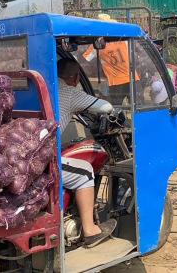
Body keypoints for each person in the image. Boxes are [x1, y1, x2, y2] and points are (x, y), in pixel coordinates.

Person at [56, 58, 118, 247]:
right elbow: (106, 107)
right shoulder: (69, 93)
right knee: (84, 171)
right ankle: (90, 230)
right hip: (43, 158)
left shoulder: (42, 86)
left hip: (27, 149)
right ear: (75, 79)